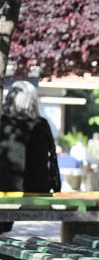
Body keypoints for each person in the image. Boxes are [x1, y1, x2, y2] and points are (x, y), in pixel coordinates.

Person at [0, 81, 61, 233]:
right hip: (37, 189)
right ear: (33, 101)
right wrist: (55, 186)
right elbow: (52, 160)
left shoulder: (2, 124)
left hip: (4, 189)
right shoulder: (41, 125)